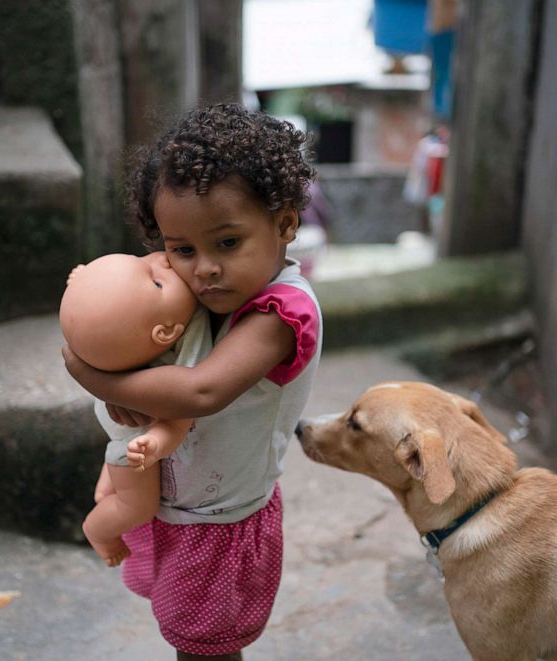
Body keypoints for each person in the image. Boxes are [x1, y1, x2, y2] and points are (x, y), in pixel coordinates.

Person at [62, 103, 322, 661]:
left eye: (227, 243)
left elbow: (202, 392)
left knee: (205, 649)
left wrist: (94, 376)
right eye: (181, 250)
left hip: (220, 521)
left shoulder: (282, 314)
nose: (201, 269)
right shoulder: (208, 291)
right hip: (178, 503)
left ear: (284, 224)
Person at [59, 252, 211, 567]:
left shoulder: (162, 315)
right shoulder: (182, 343)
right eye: (157, 281)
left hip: (118, 428)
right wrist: (157, 443)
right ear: (166, 332)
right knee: (137, 506)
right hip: (135, 433)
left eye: (145, 261)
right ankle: (98, 530)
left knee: (118, 465)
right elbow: (177, 420)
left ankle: (104, 491)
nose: (163, 263)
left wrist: (84, 279)